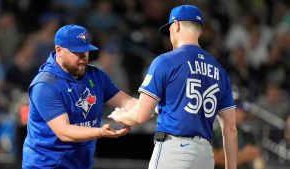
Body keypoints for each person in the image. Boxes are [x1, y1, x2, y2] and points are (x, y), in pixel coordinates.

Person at [108, 5, 238, 169]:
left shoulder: (165, 61)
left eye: (169, 29)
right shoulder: (220, 71)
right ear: (200, 31)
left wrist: (120, 116)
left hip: (175, 151)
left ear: (175, 25)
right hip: (205, 156)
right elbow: (231, 130)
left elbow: (140, 116)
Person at [22, 24, 137, 169]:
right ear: (59, 50)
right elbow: (64, 132)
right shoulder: (45, 85)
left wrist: (154, 107)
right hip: (46, 165)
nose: (83, 57)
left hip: (80, 164)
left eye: (86, 51)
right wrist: (101, 132)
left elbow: (127, 101)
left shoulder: (96, 75)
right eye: (77, 52)